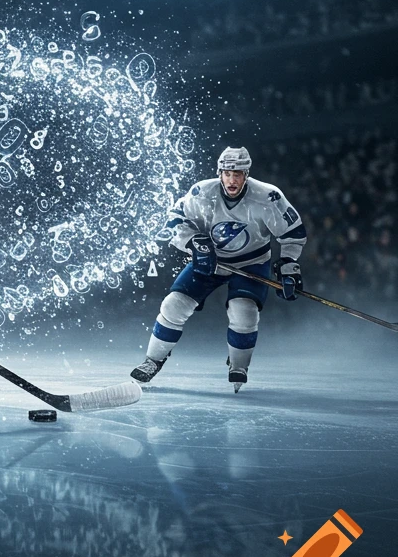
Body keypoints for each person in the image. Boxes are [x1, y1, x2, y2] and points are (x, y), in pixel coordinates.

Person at [131, 146, 307, 392]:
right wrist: (194, 241)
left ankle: (239, 365)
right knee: (174, 304)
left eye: (238, 174)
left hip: (251, 262)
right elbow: (173, 222)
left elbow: (293, 233)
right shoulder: (202, 192)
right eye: (227, 173)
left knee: (244, 312)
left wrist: (289, 265)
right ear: (219, 172)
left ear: (247, 174)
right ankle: (153, 360)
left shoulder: (268, 197)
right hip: (210, 260)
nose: (232, 179)